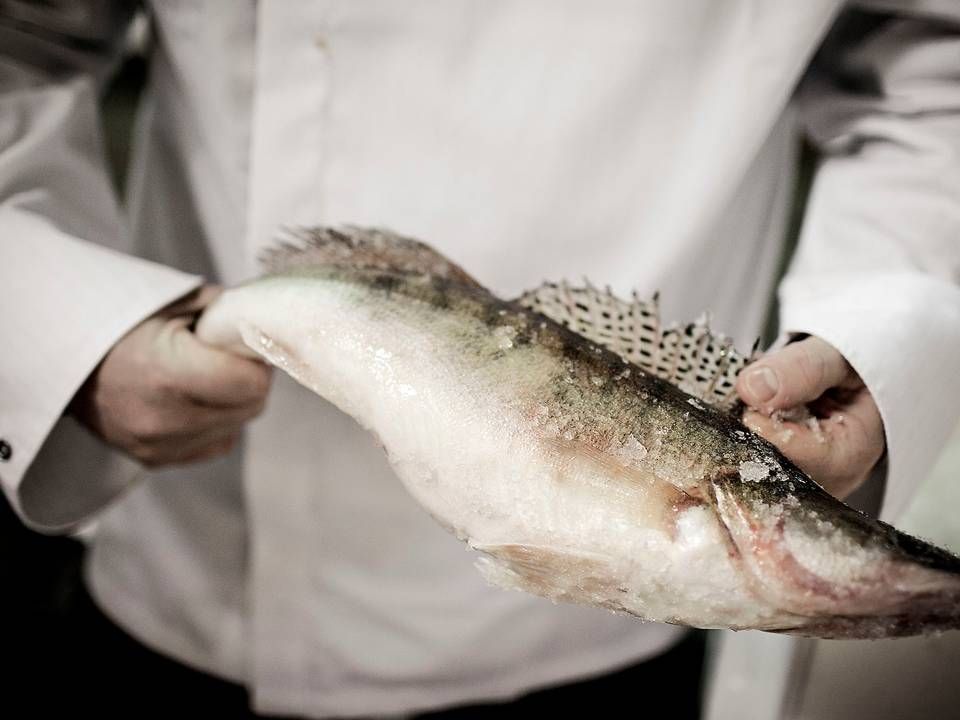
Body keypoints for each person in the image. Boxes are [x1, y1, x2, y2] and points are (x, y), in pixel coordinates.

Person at [1, 2, 958, 718]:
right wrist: (73, 323)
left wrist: (883, 332)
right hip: (170, 555)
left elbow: (934, 73)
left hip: (599, 653)